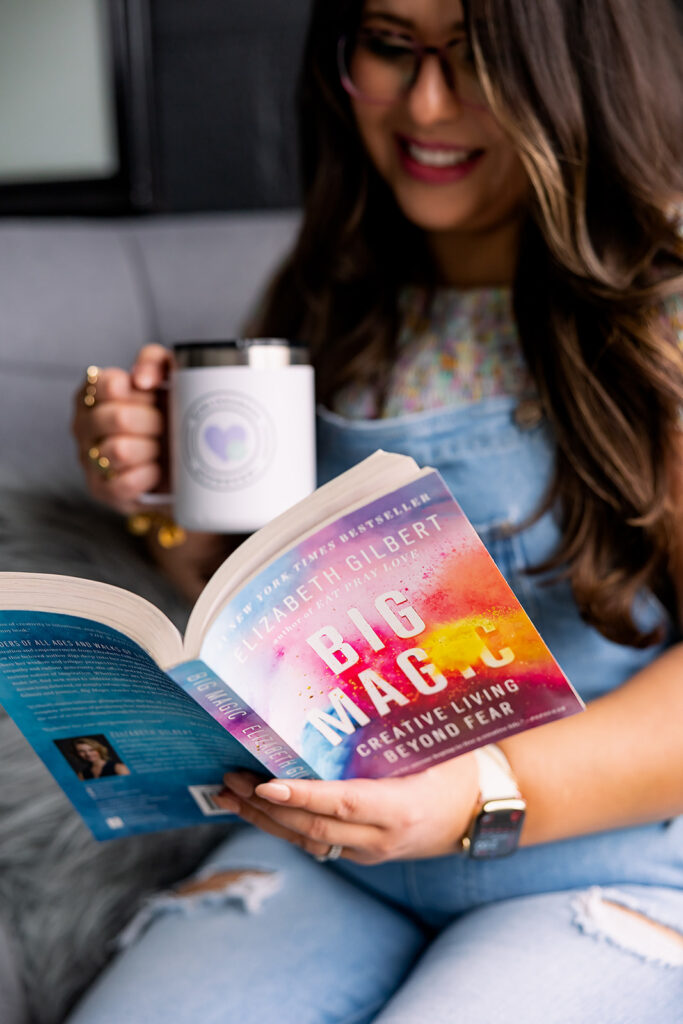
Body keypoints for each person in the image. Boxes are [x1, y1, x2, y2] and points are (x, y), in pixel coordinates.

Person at [68, 0, 683, 1020]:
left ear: (579, 74)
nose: (425, 104)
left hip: (595, 856)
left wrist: (463, 799)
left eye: (477, 59)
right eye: (388, 47)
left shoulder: (658, 317)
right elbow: (259, 615)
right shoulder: (329, 296)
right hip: (337, 856)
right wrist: (158, 499)